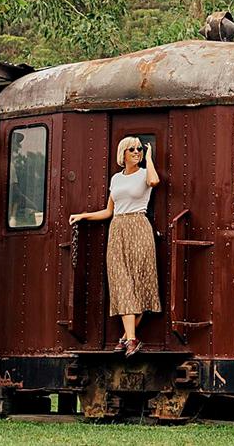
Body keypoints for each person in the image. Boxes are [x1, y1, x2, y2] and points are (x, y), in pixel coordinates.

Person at [69, 136, 161, 357]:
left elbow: (155, 181)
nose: (137, 152)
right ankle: (130, 338)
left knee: (140, 287)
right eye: (132, 149)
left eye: (139, 149)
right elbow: (109, 211)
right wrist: (83, 216)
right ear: (123, 154)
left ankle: (129, 339)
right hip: (118, 228)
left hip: (139, 227)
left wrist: (149, 159)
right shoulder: (116, 179)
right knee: (122, 284)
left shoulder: (144, 174)